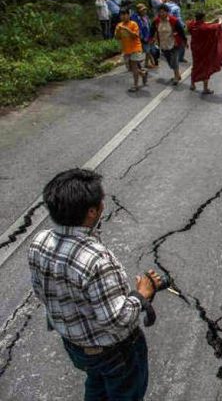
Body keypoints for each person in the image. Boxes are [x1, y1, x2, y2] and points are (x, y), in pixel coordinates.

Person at [29, 168, 162, 401]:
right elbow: (116, 320)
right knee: (125, 392)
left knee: (97, 385)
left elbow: (42, 292)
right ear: (92, 212)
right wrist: (142, 295)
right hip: (114, 352)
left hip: (75, 346)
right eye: (101, 201)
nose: (103, 204)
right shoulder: (95, 260)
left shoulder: (40, 242)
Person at [186, 12, 222, 95]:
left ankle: (192, 84)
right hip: (204, 50)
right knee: (206, 68)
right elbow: (217, 26)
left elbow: (204, 24)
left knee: (195, 66)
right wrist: (219, 21)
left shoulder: (192, 25)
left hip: (195, 49)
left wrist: (213, 21)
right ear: (203, 18)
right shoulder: (205, 28)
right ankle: (205, 89)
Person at [150, 4, 188, 85]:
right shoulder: (156, 21)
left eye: (163, 12)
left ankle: (176, 77)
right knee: (170, 62)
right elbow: (152, 30)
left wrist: (185, 41)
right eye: (160, 12)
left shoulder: (174, 20)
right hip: (163, 44)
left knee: (174, 60)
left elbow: (181, 31)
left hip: (174, 43)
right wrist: (150, 39)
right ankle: (177, 74)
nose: (161, 14)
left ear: (167, 12)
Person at [115, 8, 148, 92]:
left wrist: (127, 30)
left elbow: (135, 36)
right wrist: (118, 31)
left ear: (128, 15)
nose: (123, 17)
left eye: (125, 15)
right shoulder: (119, 25)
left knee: (134, 67)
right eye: (121, 15)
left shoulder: (133, 24)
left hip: (135, 48)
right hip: (126, 49)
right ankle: (143, 73)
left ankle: (135, 85)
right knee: (130, 68)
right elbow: (117, 37)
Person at [131, 4, 155, 69]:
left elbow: (149, 26)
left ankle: (147, 63)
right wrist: (142, 37)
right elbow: (138, 28)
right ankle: (147, 63)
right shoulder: (136, 18)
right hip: (141, 37)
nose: (144, 11)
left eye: (145, 10)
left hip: (147, 36)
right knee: (146, 51)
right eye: (142, 10)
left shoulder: (146, 17)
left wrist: (152, 35)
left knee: (148, 50)